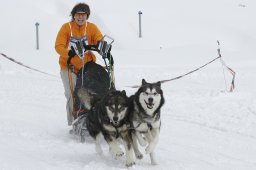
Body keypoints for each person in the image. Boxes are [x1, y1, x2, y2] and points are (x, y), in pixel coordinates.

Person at [55, 3, 103, 126]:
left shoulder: (91, 28)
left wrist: (102, 45)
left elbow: (99, 38)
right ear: (73, 15)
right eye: (78, 15)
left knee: (90, 91)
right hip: (69, 67)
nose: (81, 18)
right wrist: (70, 52)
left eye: (83, 15)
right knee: (72, 94)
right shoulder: (66, 28)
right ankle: (73, 121)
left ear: (87, 16)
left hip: (87, 66)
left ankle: (91, 117)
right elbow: (58, 46)